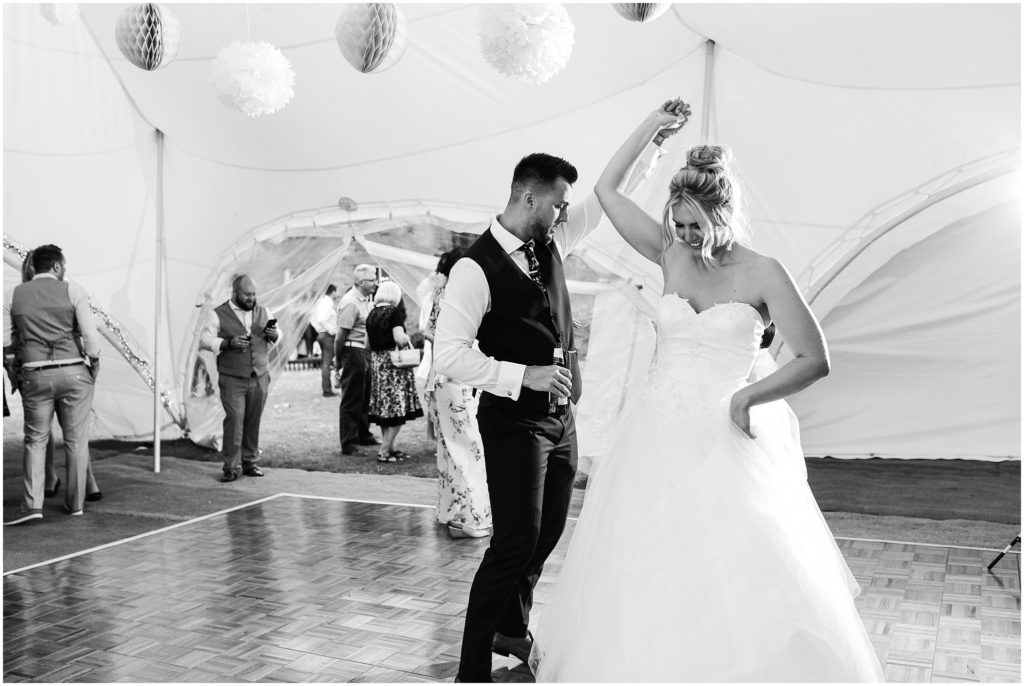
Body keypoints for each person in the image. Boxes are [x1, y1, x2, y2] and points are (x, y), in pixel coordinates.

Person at [528, 99, 885, 681]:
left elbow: (814, 359)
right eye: (680, 224)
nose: (689, 236)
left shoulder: (764, 272)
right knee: (646, 567)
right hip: (654, 437)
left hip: (727, 438)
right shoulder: (670, 254)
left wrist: (747, 397)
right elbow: (608, 190)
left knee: (739, 570)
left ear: (726, 215)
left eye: (698, 225)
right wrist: (653, 128)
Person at [433, 109, 680, 682]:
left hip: (560, 422)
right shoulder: (475, 268)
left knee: (545, 533)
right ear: (527, 196)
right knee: (512, 543)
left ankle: (511, 631)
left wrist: (654, 140)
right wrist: (525, 376)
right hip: (513, 422)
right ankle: (471, 670)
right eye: (557, 204)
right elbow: (449, 354)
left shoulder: (552, 241)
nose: (565, 213)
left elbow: (608, 199)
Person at [5, 244, 102, 524]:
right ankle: (75, 504)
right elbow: (91, 340)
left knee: (35, 439)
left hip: (34, 374)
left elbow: (5, 343)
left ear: (34, 267)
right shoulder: (73, 290)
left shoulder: (12, 294)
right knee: (76, 440)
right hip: (73, 372)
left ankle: (33, 505)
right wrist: (93, 365)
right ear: (57, 266)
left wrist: (14, 370)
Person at [423, 249, 492, 539]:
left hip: (447, 379)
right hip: (455, 378)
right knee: (461, 446)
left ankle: (469, 516)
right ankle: (462, 513)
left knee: (458, 447)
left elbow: (429, 332)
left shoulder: (446, 295)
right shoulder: (460, 295)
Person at [199, 274, 279, 482]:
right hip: (233, 376)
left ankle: (250, 462)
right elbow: (204, 340)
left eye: (254, 294)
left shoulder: (264, 311)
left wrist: (273, 334)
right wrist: (228, 343)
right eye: (247, 294)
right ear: (235, 293)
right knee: (235, 419)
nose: (252, 298)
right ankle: (231, 467)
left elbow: (277, 336)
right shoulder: (217, 314)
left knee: (253, 420)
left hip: (260, 375)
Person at [365, 281, 424, 463]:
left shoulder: (371, 313)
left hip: (378, 364)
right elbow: (399, 340)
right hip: (394, 367)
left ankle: (390, 448)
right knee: (397, 410)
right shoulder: (393, 312)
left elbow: (366, 344)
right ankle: (384, 451)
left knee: (385, 410)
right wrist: (406, 337)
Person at [335, 264, 381, 455]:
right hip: (353, 353)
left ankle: (363, 434)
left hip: (363, 353)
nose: (376, 283)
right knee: (352, 398)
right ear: (360, 282)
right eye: (372, 280)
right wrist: (338, 361)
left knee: (364, 396)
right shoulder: (351, 302)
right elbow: (340, 336)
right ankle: (349, 442)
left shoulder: (363, 300)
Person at [310, 283, 340, 396]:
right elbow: (321, 319)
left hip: (321, 335)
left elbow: (313, 319)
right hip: (327, 335)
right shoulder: (328, 302)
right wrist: (330, 329)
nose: (337, 294)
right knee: (327, 363)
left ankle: (327, 388)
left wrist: (319, 330)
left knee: (325, 363)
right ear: (333, 292)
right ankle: (327, 390)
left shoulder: (320, 302)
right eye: (336, 291)